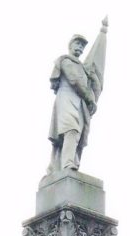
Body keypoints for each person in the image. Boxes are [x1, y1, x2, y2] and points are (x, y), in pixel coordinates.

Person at [46, 34, 98, 174]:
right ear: (71, 45)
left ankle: (54, 167)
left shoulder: (83, 68)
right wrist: (88, 97)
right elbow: (75, 80)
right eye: (78, 44)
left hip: (78, 101)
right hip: (66, 97)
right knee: (71, 129)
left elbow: (90, 85)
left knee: (74, 135)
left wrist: (92, 80)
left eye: (82, 46)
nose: (80, 48)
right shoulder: (66, 61)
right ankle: (68, 163)